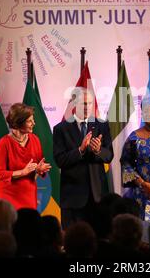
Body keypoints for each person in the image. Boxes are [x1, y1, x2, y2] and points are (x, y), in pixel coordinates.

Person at [53, 87, 113, 229]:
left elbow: (109, 155)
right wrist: (80, 150)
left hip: (98, 197)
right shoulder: (61, 129)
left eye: (90, 103)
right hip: (73, 198)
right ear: (74, 104)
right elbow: (60, 160)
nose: (87, 107)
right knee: (73, 242)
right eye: (84, 104)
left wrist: (98, 150)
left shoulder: (102, 125)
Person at [0, 103, 51, 210]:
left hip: (28, 194)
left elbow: (40, 165)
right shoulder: (5, 142)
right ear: (18, 123)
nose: (33, 123)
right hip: (8, 195)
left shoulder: (35, 139)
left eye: (33, 120)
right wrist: (22, 172)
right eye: (29, 121)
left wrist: (40, 169)